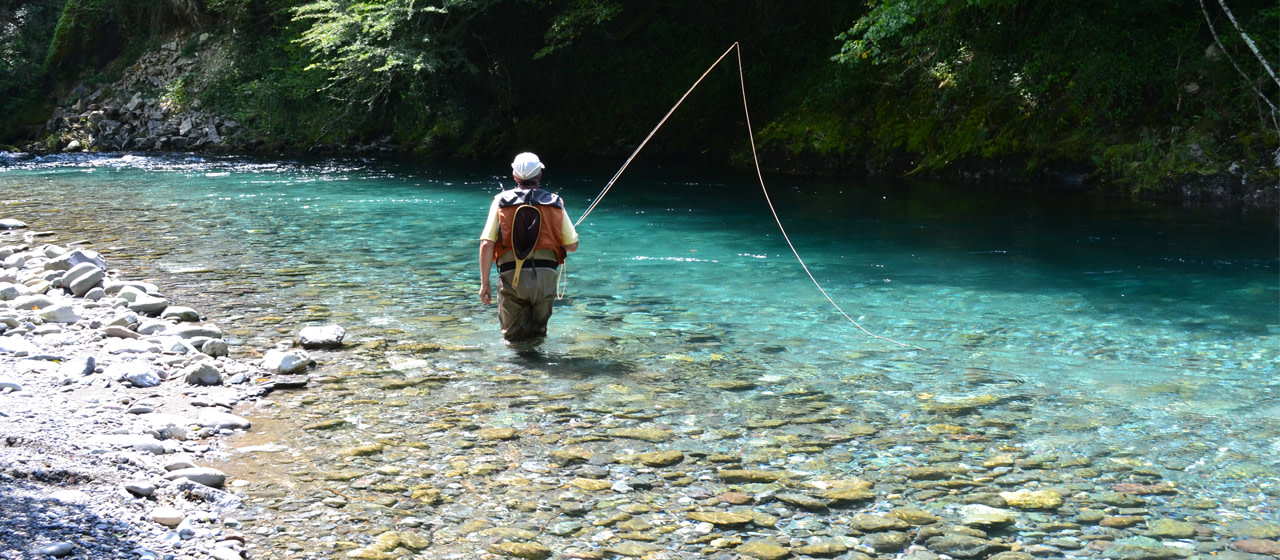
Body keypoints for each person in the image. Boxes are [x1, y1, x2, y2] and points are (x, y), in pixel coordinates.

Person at [478, 152, 579, 341]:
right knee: (538, 336)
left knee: (513, 339)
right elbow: (572, 246)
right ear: (539, 175)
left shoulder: (500, 201)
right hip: (546, 278)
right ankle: (540, 370)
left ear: (515, 177)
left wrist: (485, 284)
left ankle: (519, 370)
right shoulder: (556, 202)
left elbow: (486, 243)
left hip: (512, 277)